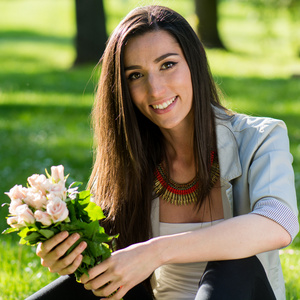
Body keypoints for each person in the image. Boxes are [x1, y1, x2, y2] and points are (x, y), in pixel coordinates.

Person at [26, 5, 299, 300]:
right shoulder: (129, 157)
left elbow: (278, 222)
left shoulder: (260, 137)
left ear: (194, 63)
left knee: (236, 264)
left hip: (238, 290)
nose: (155, 90)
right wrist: (69, 257)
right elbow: (111, 266)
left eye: (167, 65)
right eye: (135, 75)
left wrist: (156, 252)